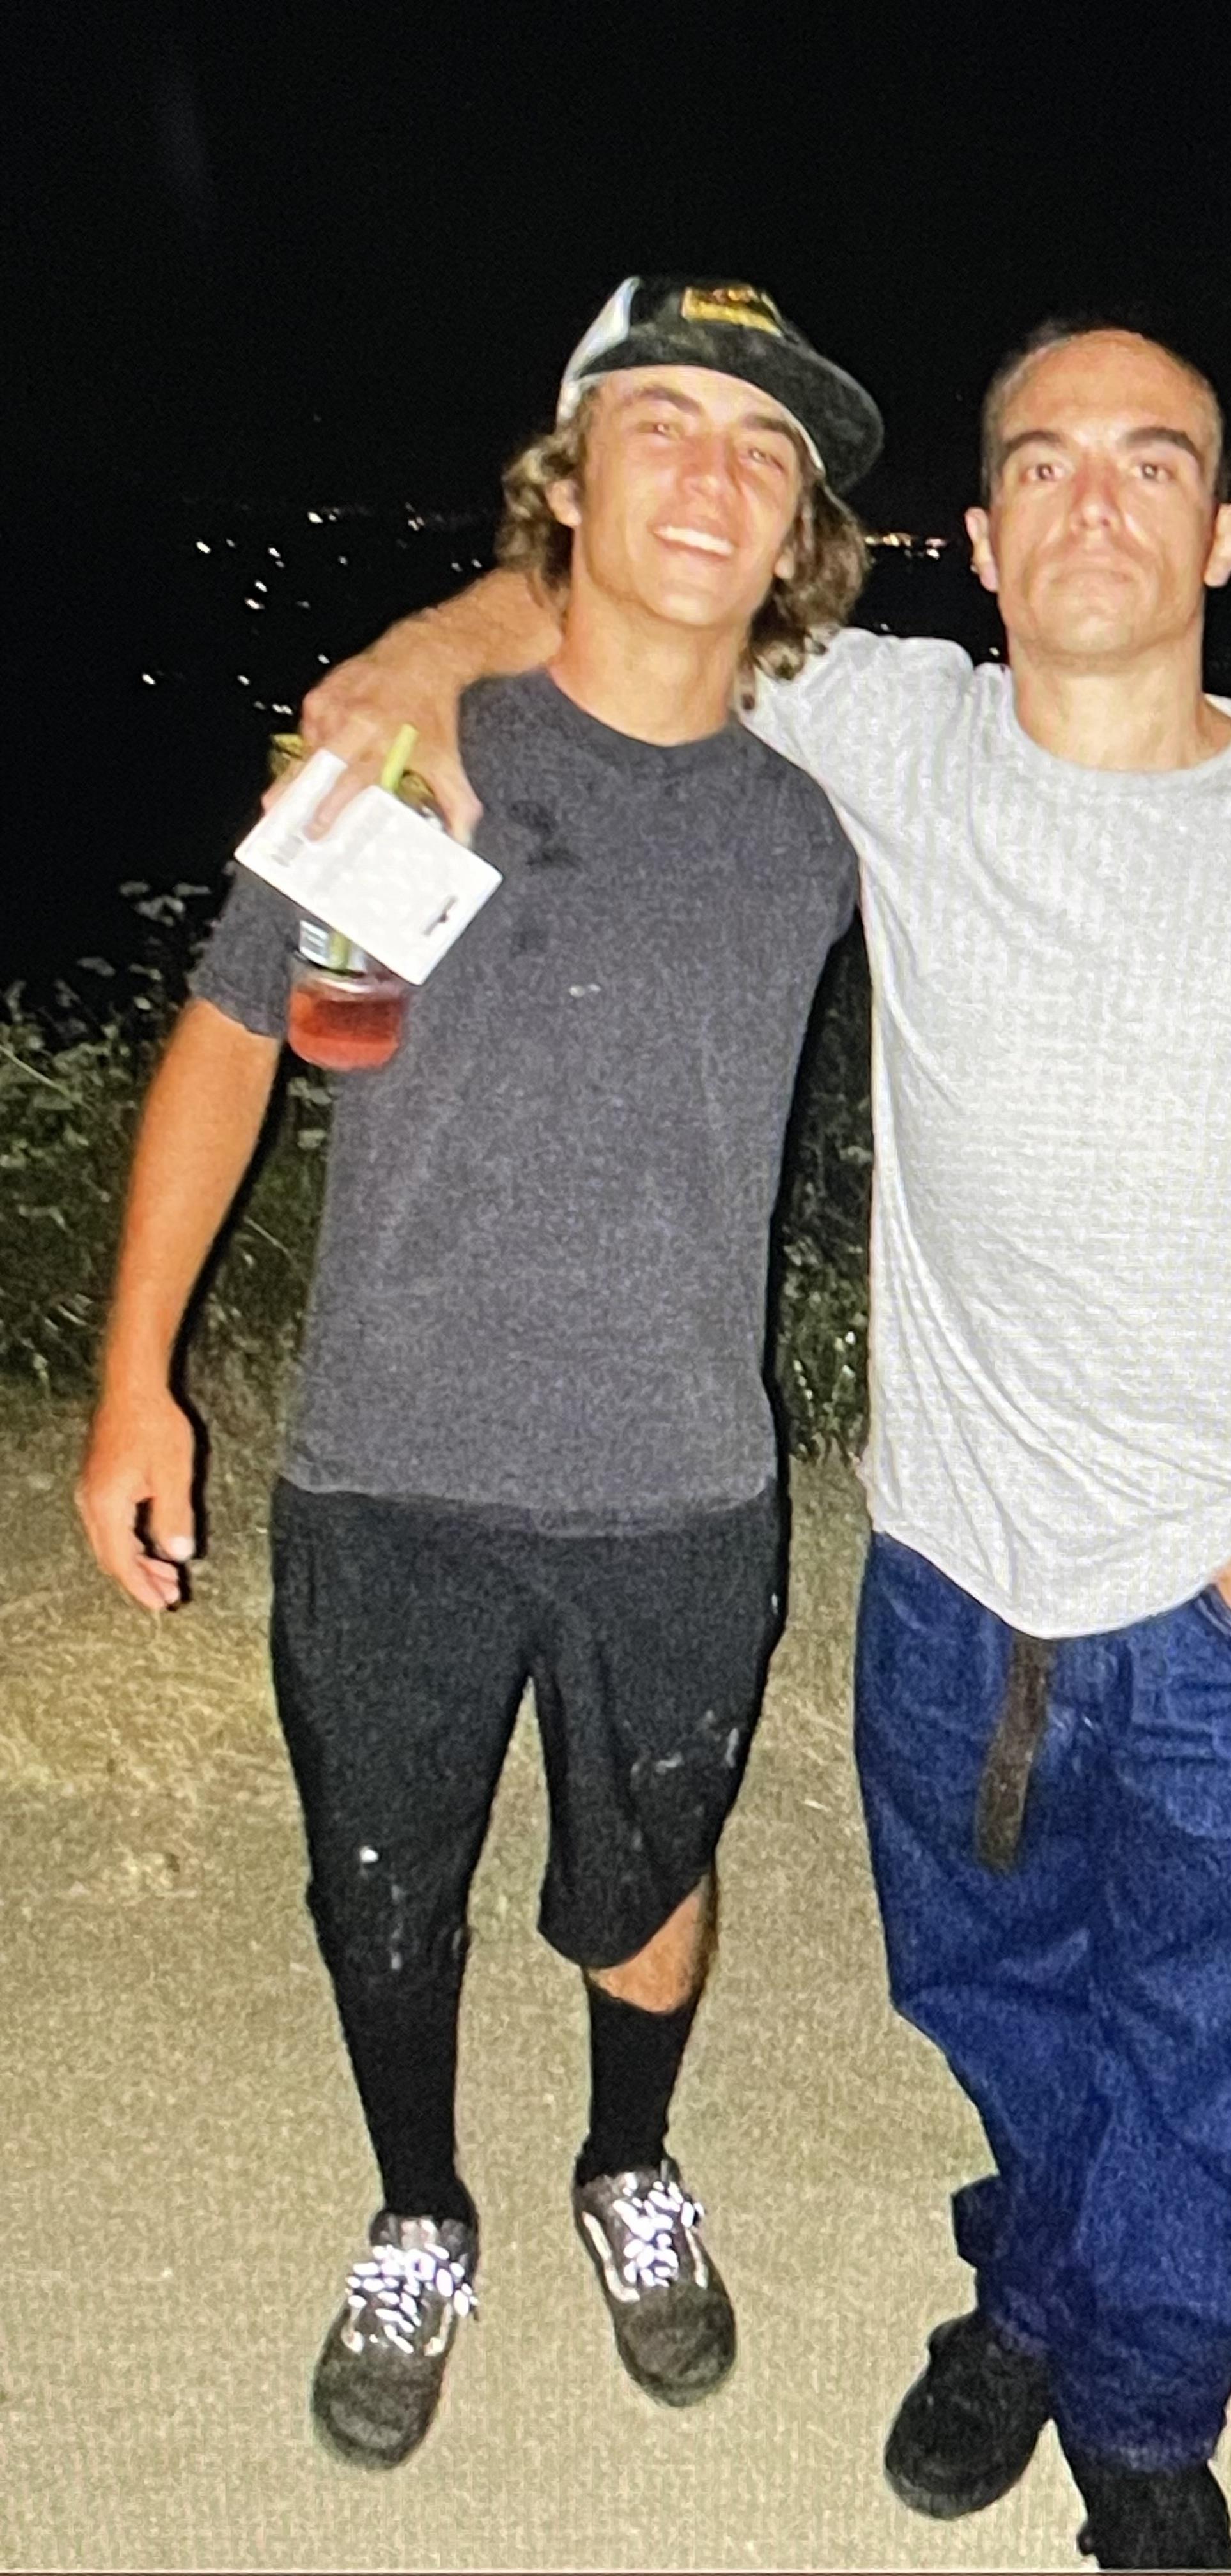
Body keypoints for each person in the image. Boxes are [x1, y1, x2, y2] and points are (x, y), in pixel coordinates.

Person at [293, 316, 1231, 2568]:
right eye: (1044, 466)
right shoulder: (897, 729)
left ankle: (1143, 2413)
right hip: (951, 1565)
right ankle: (1031, 2291)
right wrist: (408, 657)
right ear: (977, 532)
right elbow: (621, 604)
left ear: (1228, 531)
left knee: (1209, 2031)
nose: (1097, 505)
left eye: (1155, 468)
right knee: (988, 1989)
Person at [77, 276, 886, 2472]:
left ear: (803, 522)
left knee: (648, 1874)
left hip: (678, 1490)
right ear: (570, 475)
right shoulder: (429, 764)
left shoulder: (832, 810)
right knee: (384, 1886)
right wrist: (134, 1377)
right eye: (663, 424)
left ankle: (627, 2163)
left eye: (763, 445)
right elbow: (258, 1038)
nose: (713, 471)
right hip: (394, 1469)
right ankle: (418, 2208)